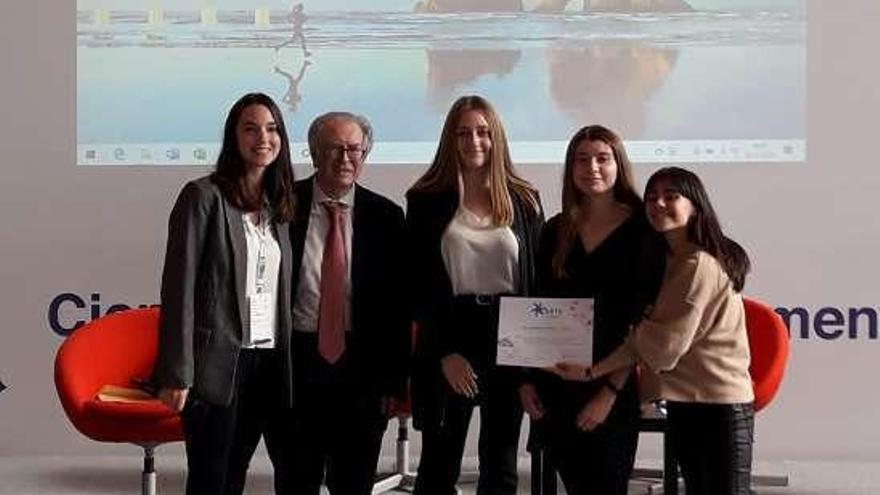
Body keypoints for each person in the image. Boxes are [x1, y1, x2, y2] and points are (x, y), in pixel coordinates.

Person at [551, 166, 755, 495]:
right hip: (685, 402)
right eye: (651, 198)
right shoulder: (670, 260)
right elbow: (646, 339)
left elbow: (661, 348)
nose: (658, 204)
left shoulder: (697, 265)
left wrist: (598, 369)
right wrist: (592, 371)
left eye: (671, 196)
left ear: (695, 206)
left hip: (718, 407)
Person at [153, 92, 297, 495]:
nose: (262, 138)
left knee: (238, 474)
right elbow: (178, 289)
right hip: (216, 365)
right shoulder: (202, 197)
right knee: (210, 478)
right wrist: (177, 372)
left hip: (267, 362)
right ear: (233, 137)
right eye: (250, 128)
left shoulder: (281, 205)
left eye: (271, 129)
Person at [407, 95, 544, 495]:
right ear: (450, 138)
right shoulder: (426, 199)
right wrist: (443, 352)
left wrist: (530, 365)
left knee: (501, 463)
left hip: (509, 333)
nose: (474, 141)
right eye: (463, 132)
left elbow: (534, 282)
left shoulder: (524, 198)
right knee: (439, 461)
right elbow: (417, 284)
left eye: (483, 132)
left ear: (496, 137)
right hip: (451, 332)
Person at [520, 125, 663, 495]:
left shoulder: (644, 230)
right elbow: (538, 304)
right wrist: (528, 379)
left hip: (611, 384)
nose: (592, 167)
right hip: (557, 384)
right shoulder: (554, 230)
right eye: (581, 159)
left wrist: (611, 391)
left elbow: (645, 321)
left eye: (602, 158)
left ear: (619, 164)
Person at [287, 111, 409, 495]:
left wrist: (394, 380)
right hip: (296, 364)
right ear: (314, 153)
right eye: (334, 149)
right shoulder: (282, 205)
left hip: (363, 370)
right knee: (295, 480)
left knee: (353, 483)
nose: (345, 158)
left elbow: (397, 307)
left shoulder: (387, 216)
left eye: (354, 149)